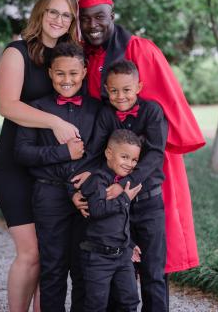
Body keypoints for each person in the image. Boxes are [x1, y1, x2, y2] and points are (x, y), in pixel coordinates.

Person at [70, 0, 206, 279]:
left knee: (153, 251)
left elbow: (164, 104)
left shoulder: (138, 50)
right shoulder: (83, 57)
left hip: (147, 161)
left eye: (99, 16)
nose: (92, 25)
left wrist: (135, 161)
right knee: (112, 247)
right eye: (85, 18)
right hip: (106, 162)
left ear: (112, 15)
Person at [0, 0, 80, 312]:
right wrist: (54, 123)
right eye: (53, 11)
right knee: (30, 254)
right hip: (14, 166)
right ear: (41, 13)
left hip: (52, 168)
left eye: (66, 15)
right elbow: (8, 105)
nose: (58, 19)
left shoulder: (67, 58)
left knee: (52, 256)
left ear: (72, 21)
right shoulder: (17, 52)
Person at [15, 42, 102, 312]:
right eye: (60, 73)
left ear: (85, 72)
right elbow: (23, 153)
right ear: (51, 73)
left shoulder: (98, 109)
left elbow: (100, 153)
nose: (67, 80)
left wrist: (88, 182)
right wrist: (63, 152)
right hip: (49, 196)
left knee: (83, 268)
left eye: (74, 74)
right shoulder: (36, 108)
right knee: (53, 269)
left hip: (85, 196)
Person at [79, 58, 168, 311]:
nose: (120, 96)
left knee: (153, 271)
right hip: (114, 208)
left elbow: (154, 155)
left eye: (127, 89)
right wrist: (78, 191)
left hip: (149, 202)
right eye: (114, 90)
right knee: (117, 270)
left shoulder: (152, 112)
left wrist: (125, 184)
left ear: (139, 87)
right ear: (106, 89)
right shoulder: (106, 114)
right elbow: (95, 153)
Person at [80, 129, 142, 312]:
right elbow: (96, 210)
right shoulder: (97, 180)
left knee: (129, 301)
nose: (129, 164)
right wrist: (124, 199)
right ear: (109, 153)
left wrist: (129, 244)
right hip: (99, 257)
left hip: (122, 256)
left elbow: (119, 222)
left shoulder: (123, 183)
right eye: (124, 157)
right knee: (96, 305)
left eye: (134, 160)